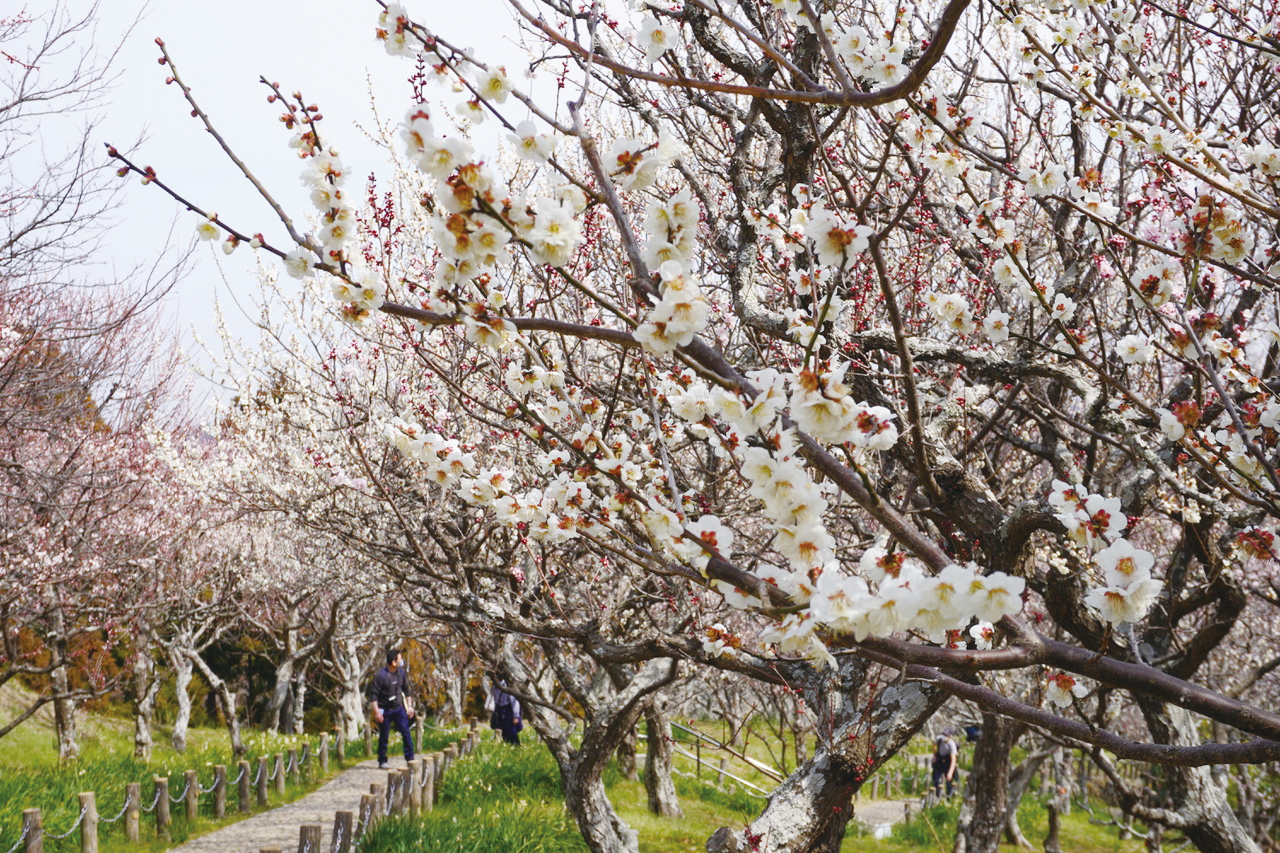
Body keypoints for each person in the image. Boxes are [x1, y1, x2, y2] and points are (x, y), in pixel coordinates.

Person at [369, 648, 415, 769]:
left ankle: (410, 758)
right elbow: (373, 695)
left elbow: (407, 690)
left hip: (399, 708)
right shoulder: (381, 675)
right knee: (384, 735)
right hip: (385, 709)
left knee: (406, 732)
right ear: (394, 662)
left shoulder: (401, 673)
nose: (402, 661)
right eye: (400, 659)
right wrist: (377, 711)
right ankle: (382, 760)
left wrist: (409, 706)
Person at [486, 679, 523, 745]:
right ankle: (504, 744)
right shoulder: (495, 685)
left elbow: (514, 701)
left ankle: (515, 746)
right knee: (500, 729)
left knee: (511, 731)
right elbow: (492, 695)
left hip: (508, 710)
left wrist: (516, 716)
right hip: (499, 708)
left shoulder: (508, 685)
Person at [931, 728, 958, 798]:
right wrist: (934, 756)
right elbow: (933, 746)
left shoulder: (951, 744)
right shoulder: (939, 739)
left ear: (949, 736)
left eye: (945, 735)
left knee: (949, 782)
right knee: (936, 780)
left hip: (948, 762)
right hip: (940, 760)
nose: (944, 736)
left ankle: (949, 798)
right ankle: (937, 797)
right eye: (943, 734)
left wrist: (950, 773)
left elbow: (953, 760)